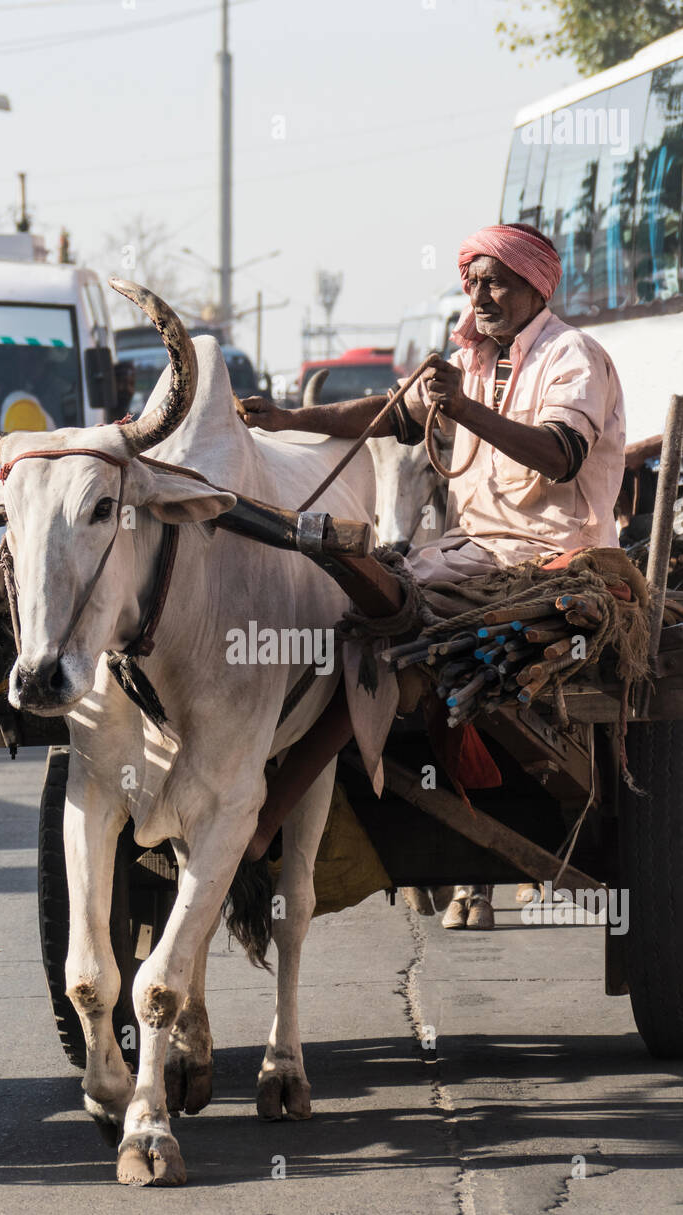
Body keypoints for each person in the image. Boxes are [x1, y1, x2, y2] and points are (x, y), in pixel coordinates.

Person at [241, 223, 628, 929]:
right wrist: (291, 417)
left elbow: (561, 456)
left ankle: (264, 823)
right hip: (465, 547)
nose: (479, 294)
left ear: (535, 286)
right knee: (333, 607)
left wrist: (461, 407)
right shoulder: (471, 361)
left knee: (384, 636)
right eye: (472, 281)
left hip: (549, 557)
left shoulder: (574, 356)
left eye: (496, 281)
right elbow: (389, 416)